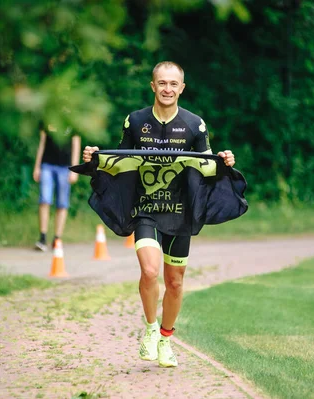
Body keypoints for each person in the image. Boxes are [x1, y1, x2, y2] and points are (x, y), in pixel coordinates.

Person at [82, 61, 235, 367]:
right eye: (161, 83)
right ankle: (151, 329)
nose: (167, 89)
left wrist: (222, 160)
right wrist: (96, 159)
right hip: (146, 209)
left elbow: (204, 165)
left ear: (182, 88)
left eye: (173, 84)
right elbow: (122, 161)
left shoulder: (194, 125)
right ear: (153, 86)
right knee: (150, 271)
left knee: (175, 282)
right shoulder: (136, 121)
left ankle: (166, 339)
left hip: (180, 210)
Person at [33, 121, 81, 251]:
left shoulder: (73, 121)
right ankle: (42, 238)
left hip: (65, 167)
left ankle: (57, 239)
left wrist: (75, 169)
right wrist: (37, 167)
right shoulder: (49, 117)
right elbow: (42, 144)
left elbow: (76, 145)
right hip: (47, 165)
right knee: (44, 200)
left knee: (62, 203)